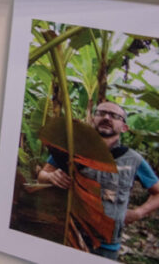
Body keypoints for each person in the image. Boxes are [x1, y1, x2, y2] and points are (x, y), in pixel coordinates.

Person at [38, 101, 159, 259]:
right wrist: (50, 176)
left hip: (107, 245)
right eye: (101, 113)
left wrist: (138, 213)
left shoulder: (133, 159)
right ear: (92, 119)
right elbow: (42, 175)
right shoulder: (72, 149)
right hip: (68, 233)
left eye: (114, 116)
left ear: (124, 127)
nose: (107, 117)